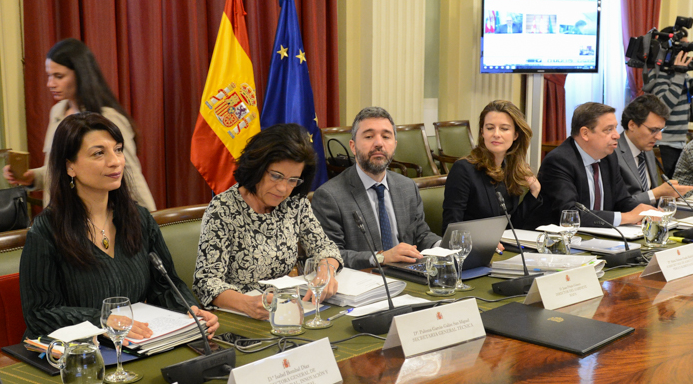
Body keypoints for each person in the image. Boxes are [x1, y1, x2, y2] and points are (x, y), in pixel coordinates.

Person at [19, 112, 218, 340]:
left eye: (118, 150)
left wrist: (190, 311)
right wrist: (102, 321)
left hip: (135, 344)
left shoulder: (139, 218)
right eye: (99, 153)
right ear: (70, 166)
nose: (115, 161)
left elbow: (164, 286)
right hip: (78, 352)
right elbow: (40, 313)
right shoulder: (47, 230)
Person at [192, 124, 342, 319]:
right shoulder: (223, 209)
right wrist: (246, 304)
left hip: (285, 309)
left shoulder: (294, 202)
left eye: (293, 180)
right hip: (239, 314)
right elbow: (206, 282)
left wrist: (326, 271)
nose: (283, 188)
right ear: (258, 168)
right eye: (276, 176)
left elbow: (325, 247)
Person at [3, 38, 156, 211]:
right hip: (58, 217)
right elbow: (64, 167)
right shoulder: (57, 112)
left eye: (59, 76)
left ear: (80, 75)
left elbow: (130, 175)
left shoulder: (108, 118)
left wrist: (153, 219)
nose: (50, 84)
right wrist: (32, 178)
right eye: (49, 76)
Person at [311, 107, 442, 270]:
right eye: (369, 136)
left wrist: (443, 246)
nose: (379, 143)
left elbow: (421, 235)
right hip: (365, 278)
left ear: (394, 145)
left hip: (409, 276)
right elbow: (331, 255)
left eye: (386, 137)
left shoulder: (407, 187)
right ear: (353, 146)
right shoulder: (329, 196)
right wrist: (381, 257)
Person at [535, 102, 654, 228]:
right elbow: (569, 214)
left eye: (615, 128)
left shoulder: (609, 157)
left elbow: (622, 201)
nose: (616, 135)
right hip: (560, 237)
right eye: (609, 130)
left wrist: (648, 212)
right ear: (585, 133)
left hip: (600, 235)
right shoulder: (559, 161)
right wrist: (627, 217)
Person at [442, 100, 542, 234]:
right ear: (482, 132)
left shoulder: (510, 169)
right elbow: (451, 230)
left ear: (516, 135)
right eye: (490, 128)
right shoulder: (463, 170)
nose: (496, 134)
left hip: (504, 245)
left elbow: (513, 227)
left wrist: (534, 191)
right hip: (473, 246)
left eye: (504, 129)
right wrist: (485, 242)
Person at [645, 50, 693, 176]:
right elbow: (663, 108)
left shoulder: (683, 77)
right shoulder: (657, 74)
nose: (686, 57)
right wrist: (679, 75)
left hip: (681, 143)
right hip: (663, 144)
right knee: (668, 184)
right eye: (683, 52)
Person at [613, 94, 693, 203]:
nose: (659, 137)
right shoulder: (612, 153)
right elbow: (619, 203)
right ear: (632, 125)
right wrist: (658, 193)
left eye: (660, 130)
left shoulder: (647, 150)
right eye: (653, 130)